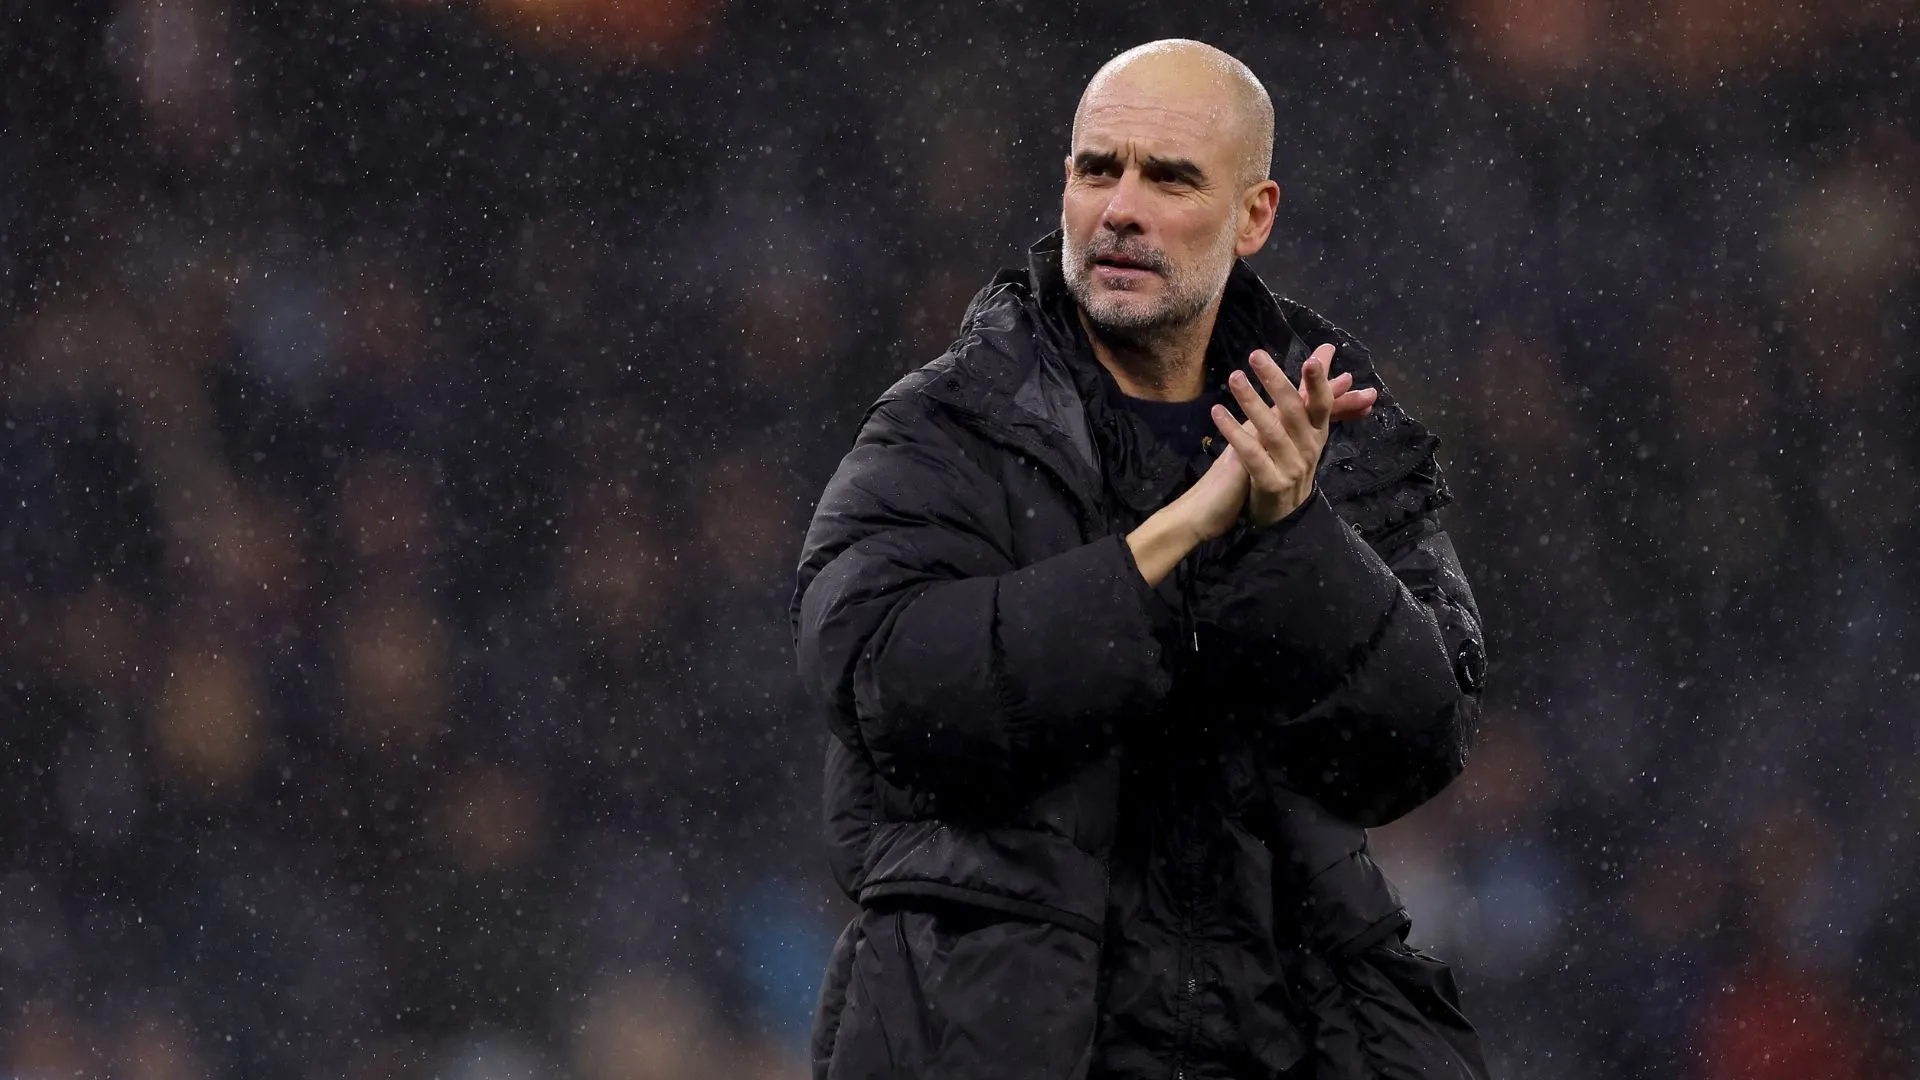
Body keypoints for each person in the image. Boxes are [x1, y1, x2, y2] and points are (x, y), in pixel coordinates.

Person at [792, 39, 1489, 1080]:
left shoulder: (1332, 429)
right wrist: (1185, 531)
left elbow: (1415, 744)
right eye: (1096, 168)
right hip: (1003, 1037)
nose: (1120, 207)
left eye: (1168, 178)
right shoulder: (952, 425)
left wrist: (1296, 535)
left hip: (1282, 1037)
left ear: (1255, 215)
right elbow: (887, 684)